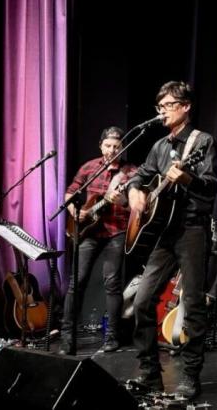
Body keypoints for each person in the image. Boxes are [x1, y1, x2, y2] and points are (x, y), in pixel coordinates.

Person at [126, 81, 217, 398]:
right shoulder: (159, 147)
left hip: (192, 230)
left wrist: (187, 177)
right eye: (159, 106)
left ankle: (190, 376)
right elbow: (140, 176)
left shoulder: (202, 142)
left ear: (185, 106)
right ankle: (150, 374)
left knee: (191, 305)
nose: (162, 111)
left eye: (167, 105)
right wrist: (135, 192)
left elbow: (211, 186)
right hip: (164, 233)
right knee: (141, 302)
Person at [60, 126, 136, 355]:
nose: (112, 150)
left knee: (112, 283)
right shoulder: (89, 167)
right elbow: (70, 193)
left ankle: (112, 337)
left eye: (117, 146)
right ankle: (67, 338)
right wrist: (75, 211)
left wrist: (121, 199)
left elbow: (134, 203)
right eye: (108, 145)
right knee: (77, 282)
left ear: (122, 148)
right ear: (101, 146)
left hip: (117, 231)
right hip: (88, 232)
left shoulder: (131, 171)